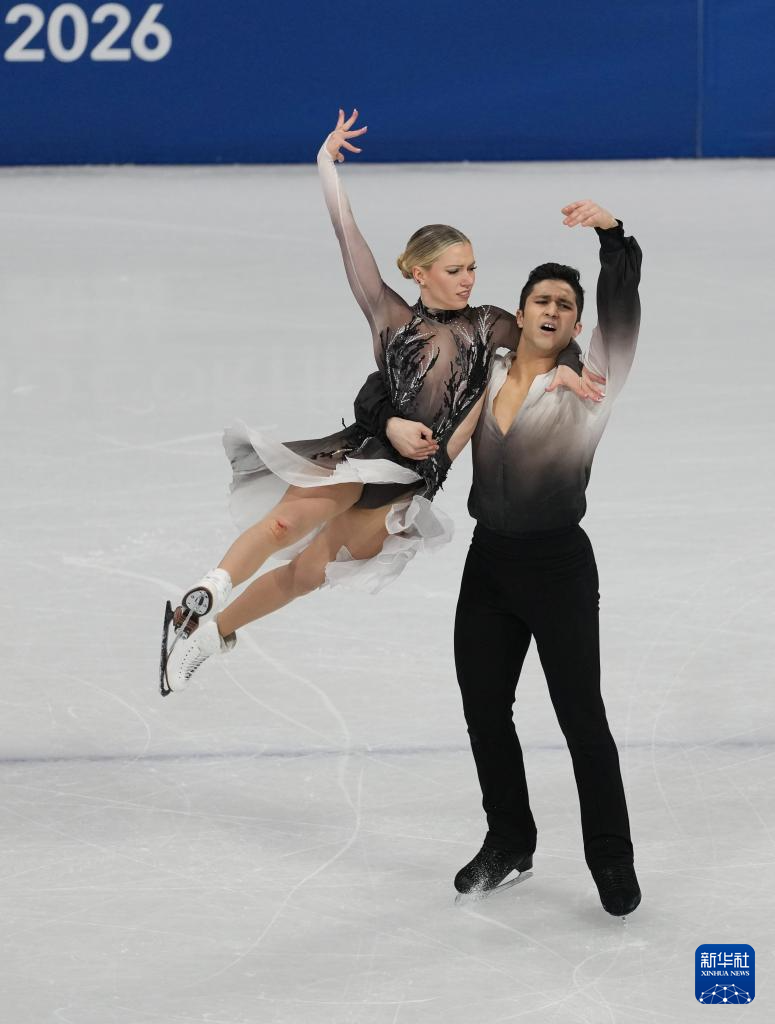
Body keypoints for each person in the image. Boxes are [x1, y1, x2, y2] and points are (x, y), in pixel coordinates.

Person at [159, 111, 597, 695]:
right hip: (364, 451)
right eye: (454, 269)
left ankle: (210, 637)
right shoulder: (391, 317)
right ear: (420, 273)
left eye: (472, 268)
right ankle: (209, 589)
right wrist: (326, 165)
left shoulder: (491, 324)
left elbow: (550, 335)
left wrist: (569, 368)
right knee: (286, 522)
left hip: (414, 480)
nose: (468, 279)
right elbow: (350, 241)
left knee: (308, 573)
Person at [354, 198, 643, 917]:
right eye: (541, 299)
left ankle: (611, 858)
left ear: (576, 324)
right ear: (520, 313)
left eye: (566, 305)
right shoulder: (489, 368)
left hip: (557, 568)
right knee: (484, 709)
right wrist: (390, 423)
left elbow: (622, 310)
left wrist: (612, 239)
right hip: (489, 566)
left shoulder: (593, 383)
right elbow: (386, 382)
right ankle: (509, 839)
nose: (553, 310)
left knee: (581, 718)